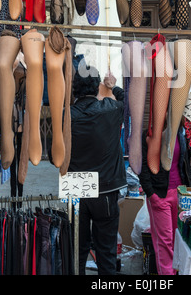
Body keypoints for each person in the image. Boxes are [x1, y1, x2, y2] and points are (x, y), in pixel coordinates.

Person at [68, 66, 126, 275]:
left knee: (76, 250)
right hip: (106, 188)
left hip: (75, 186)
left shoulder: (67, 116)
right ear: (97, 86)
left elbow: (54, 152)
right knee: (106, 252)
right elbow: (129, 101)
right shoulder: (110, 109)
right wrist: (113, 86)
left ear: (74, 88)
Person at [138, 126, 191, 275]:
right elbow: (141, 166)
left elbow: (186, 162)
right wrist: (151, 193)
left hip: (180, 194)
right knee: (165, 242)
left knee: (179, 240)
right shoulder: (149, 134)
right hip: (160, 194)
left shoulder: (180, 133)